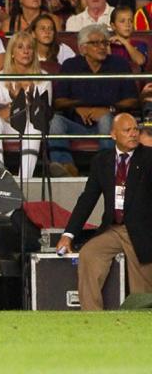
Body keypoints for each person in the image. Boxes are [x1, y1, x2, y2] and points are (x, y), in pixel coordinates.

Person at [56, 113, 152, 310]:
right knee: (89, 254)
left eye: (135, 129)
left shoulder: (149, 157)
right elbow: (87, 199)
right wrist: (68, 234)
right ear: (113, 135)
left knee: (143, 292)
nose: (133, 134)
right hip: (114, 229)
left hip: (143, 231)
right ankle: (93, 318)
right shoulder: (101, 161)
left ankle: (141, 327)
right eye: (127, 130)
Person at [49, 24, 138, 177]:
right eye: (95, 43)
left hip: (110, 125)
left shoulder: (119, 65)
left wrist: (109, 109)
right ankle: (66, 167)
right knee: (55, 121)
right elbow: (58, 101)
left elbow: (133, 100)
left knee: (105, 119)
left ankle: (107, 168)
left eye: (104, 42)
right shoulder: (71, 65)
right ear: (83, 48)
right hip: (76, 124)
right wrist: (77, 107)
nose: (102, 47)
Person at [0, 30, 49, 181]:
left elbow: (43, 114)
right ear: (12, 53)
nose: (25, 51)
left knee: (34, 126)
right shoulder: (0, 77)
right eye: (20, 47)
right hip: (8, 126)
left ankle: (24, 181)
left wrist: (15, 106)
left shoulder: (44, 78)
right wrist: (22, 104)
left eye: (29, 47)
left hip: (31, 126)